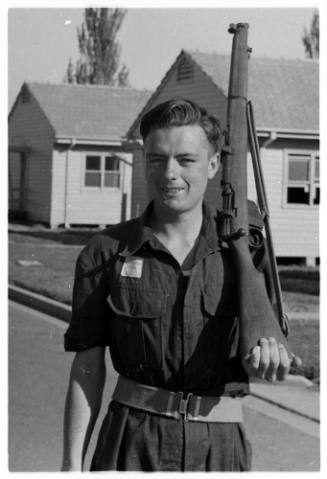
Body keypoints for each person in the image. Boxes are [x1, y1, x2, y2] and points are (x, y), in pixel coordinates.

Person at [61, 98, 292, 472]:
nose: (169, 173)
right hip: (131, 442)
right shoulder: (105, 252)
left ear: (214, 164)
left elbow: (268, 349)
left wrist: (267, 359)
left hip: (218, 449)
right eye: (157, 159)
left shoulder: (246, 253)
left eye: (186, 160)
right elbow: (87, 367)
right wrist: (71, 465)